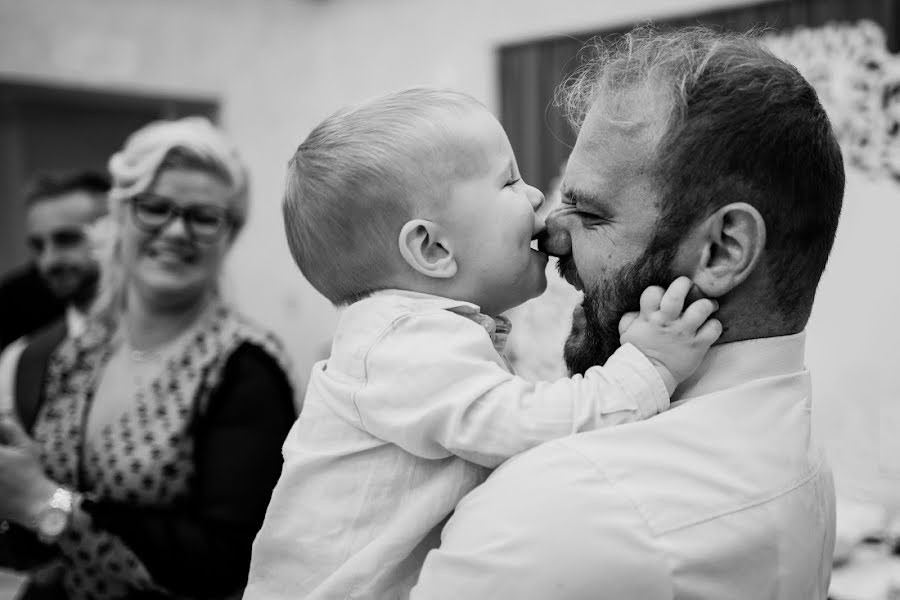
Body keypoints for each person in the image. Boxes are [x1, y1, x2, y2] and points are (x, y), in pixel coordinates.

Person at [411, 25, 845, 599]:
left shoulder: (555, 510)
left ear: (722, 250)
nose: (550, 238)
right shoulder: (801, 455)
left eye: (589, 214)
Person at [244, 87, 721, 600]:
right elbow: (528, 428)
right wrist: (646, 367)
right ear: (432, 247)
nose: (538, 196)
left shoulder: (416, 341)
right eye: (510, 181)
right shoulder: (403, 344)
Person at [0, 116, 298, 599]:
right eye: (155, 208)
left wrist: (43, 499)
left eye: (203, 217)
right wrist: (15, 495)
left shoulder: (242, 366)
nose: (177, 230)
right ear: (119, 217)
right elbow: (42, 543)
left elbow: (228, 561)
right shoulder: (82, 350)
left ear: (229, 234)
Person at [0, 170, 110, 423]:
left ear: (114, 234)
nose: (48, 262)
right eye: (38, 246)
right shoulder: (21, 362)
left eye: (67, 239)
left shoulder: (158, 341)